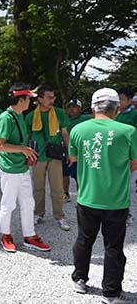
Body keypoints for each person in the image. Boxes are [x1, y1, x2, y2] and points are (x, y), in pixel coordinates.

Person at [69, 87, 137, 304]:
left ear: (92, 108)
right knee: (114, 246)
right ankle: (111, 292)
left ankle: (79, 279)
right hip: (116, 200)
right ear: (117, 109)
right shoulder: (128, 131)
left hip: (87, 197)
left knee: (84, 239)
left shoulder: (78, 130)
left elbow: (74, 158)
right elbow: (134, 164)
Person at [0, 83, 50, 253]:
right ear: (21, 99)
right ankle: (6, 236)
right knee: (8, 204)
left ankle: (30, 236)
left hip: (22, 167)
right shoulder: (6, 117)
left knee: (28, 202)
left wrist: (26, 152)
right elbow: (0, 145)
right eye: (29, 99)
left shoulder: (19, 115)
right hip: (10, 169)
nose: (31, 102)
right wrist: (23, 149)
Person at [25, 85, 70, 231]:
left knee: (57, 188)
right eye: (49, 97)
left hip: (55, 155)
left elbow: (64, 133)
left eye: (53, 97)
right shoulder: (31, 116)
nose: (52, 100)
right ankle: (38, 213)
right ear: (40, 99)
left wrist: (69, 152)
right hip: (38, 155)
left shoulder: (59, 113)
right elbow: (27, 137)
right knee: (38, 187)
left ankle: (60, 216)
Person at [62, 99, 91, 203]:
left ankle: (81, 195)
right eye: (69, 107)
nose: (71, 109)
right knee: (64, 174)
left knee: (78, 174)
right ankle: (65, 194)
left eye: (74, 107)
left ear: (80, 108)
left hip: (79, 152)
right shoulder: (64, 119)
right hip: (65, 151)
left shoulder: (87, 119)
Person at [115, 87, 137, 224]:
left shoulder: (134, 115)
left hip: (129, 157)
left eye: (121, 99)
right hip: (116, 156)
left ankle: (126, 213)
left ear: (130, 100)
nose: (119, 101)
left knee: (127, 185)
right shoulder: (116, 114)